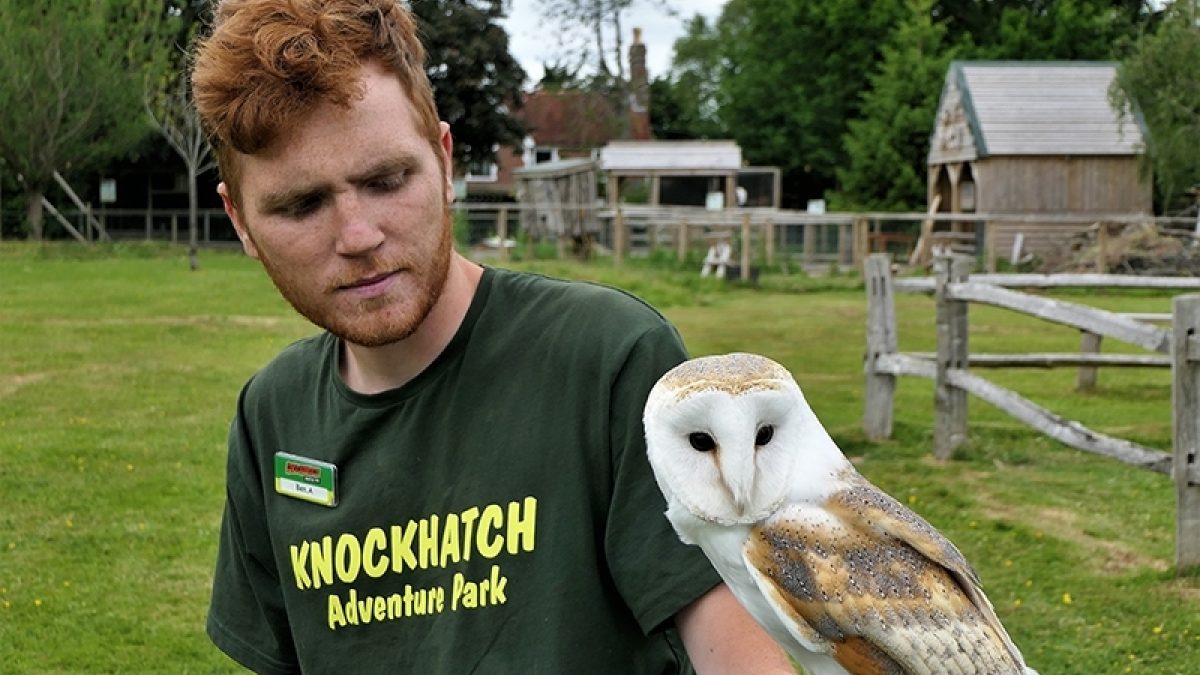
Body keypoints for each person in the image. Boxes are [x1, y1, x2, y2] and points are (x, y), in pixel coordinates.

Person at [192, 1, 794, 673]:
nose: (358, 236)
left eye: (388, 180)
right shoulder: (273, 415)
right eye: (301, 205)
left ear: (444, 162)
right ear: (240, 220)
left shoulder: (608, 362)